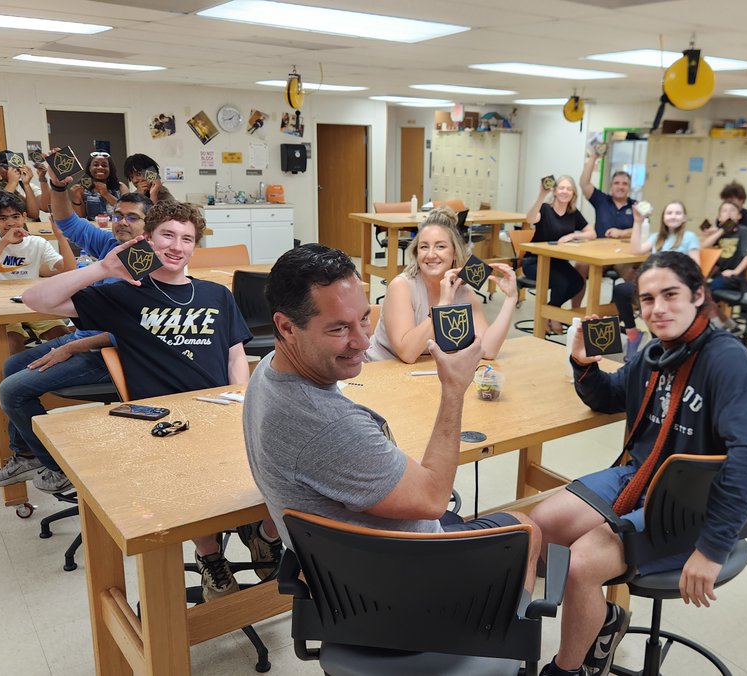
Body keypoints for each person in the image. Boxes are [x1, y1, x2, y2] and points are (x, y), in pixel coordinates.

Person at [527, 251, 747, 676]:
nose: (657, 309)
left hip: (692, 503)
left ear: (699, 295)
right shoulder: (655, 353)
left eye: (670, 295)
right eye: (646, 299)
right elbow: (612, 396)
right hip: (640, 476)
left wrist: (712, 548)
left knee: (582, 564)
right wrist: (583, 366)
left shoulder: (726, 360)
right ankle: (604, 620)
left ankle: (567, 671)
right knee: (538, 523)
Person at [22, 199, 282, 601]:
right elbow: (36, 300)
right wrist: (103, 268)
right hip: (164, 421)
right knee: (192, 478)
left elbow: (234, 356)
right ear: (147, 239)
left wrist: (242, 403)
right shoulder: (125, 295)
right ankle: (210, 555)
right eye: (167, 236)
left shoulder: (216, 295)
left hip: (221, 409)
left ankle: (264, 535)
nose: (177, 246)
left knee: (278, 457)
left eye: (187, 239)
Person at [243, 244, 540, 593]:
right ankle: (490, 635)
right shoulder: (331, 427)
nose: (363, 340)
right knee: (526, 529)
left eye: (365, 318)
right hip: (401, 583)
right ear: (287, 327)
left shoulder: (266, 371)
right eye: (339, 329)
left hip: (346, 574)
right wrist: (455, 389)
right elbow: (432, 500)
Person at [0, 170, 154, 495]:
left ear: (150, 226)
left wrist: (70, 348)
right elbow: (66, 220)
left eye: (132, 218)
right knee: (10, 366)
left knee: (11, 391)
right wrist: (58, 186)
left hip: (109, 353)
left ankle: (57, 467)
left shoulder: (146, 264)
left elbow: (135, 332)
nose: (121, 222)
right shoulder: (110, 243)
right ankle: (27, 453)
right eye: (118, 215)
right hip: (82, 338)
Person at [366, 207, 517, 363]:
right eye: (424, 247)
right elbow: (407, 353)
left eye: (440, 246)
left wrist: (511, 298)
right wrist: (444, 305)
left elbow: (487, 350)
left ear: (454, 253)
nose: (431, 255)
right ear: (417, 253)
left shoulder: (464, 292)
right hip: (382, 370)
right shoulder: (401, 286)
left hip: (424, 373)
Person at [0, 191, 75, 354]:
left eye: (15, 216)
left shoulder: (37, 242)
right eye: (3, 218)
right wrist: (4, 242)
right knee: (13, 346)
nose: (11, 223)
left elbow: (70, 271)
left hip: (31, 304)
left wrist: (60, 237)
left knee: (63, 339)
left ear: (24, 217)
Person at [613, 201, 701, 358]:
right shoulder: (657, 238)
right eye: (669, 213)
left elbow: (696, 267)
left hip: (673, 289)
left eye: (677, 213)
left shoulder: (689, 237)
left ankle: (662, 348)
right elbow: (635, 250)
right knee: (620, 290)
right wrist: (638, 222)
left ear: (684, 218)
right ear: (663, 217)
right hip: (652, 287)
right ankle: (633, 336)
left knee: (658, 311)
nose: (673, 216)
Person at [524, 175, 594, 335]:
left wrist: (573, 236)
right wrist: (541, 195)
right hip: (535, 261)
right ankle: (552, 317)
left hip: (557, 262)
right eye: (561, 188)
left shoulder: (573, 213)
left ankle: (550, 312)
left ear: (573, 194)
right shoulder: (545, 209)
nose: (565, 191)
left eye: (569, 189)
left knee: (578, 282)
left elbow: (591, 232)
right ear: (555, 191)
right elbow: (530, 219)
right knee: (562, 283)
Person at [578, 147, 635, 241]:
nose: (620, 187)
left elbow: (642, 229)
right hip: (599, 251)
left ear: (629, 188)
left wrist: (621, 233)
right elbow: (584, 184)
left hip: (624, 252)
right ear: (611, 186)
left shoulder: (636, 205)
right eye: (616, 183)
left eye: (624, 184)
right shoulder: (601, 200)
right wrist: (593, 158)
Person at [702, 200, 747, 293]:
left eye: (732, 210)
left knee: (709, 289)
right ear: (719, 218)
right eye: (724, 211)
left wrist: (735, 272)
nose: (728, 213)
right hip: (719, 274)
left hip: (735, 277)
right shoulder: (719, 233)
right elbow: (704, 246)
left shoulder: (743, 231)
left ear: (739, 216)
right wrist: (722, 230)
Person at [71, 152, 122, 220]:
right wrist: (77, 198)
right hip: (92, 229)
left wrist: (106, 194)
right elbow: (80, 217)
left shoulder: (120, 187)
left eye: (104, 165)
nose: (100, 167)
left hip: (115, 228)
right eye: (96, 165)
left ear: (110, 169)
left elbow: (127, 210)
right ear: (90, 168)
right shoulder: (82, 188)